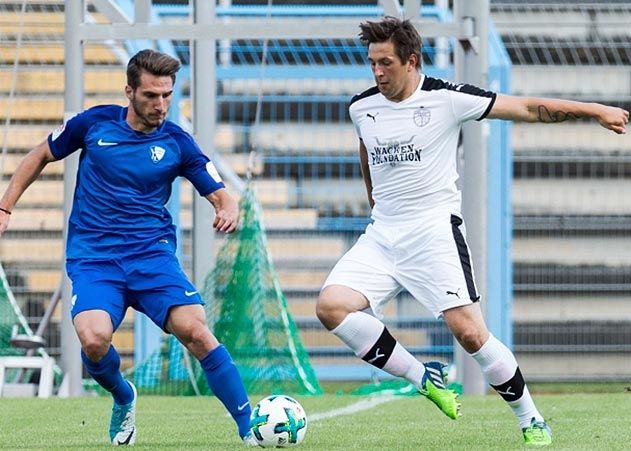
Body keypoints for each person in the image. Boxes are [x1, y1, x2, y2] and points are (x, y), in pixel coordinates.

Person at [315, 16, 629, 447]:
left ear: (411, 61)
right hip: (383, 236)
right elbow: (368, 156)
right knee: (332, 306)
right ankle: (421, 376)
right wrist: (376, 204)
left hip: (434, 234)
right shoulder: (361, 106)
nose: (377, 72)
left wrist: (594, 111)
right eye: (371, 63)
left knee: (471, 335)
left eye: (385, 63)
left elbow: (525, 108)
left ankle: (530, 418)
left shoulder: (446, 98)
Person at [0, 49, 258, 447]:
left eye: (167, 95)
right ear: (129, 92)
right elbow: (40, 155)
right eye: (151, 96)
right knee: (94, 338)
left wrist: (227, 208)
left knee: (197, 331)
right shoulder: (93, 123)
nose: (161, 105)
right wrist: (6, 205)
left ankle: (250, 428)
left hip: (151, 258)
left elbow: (221, 193)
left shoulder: (177, 142)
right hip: (95, 258)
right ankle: (123, 395)